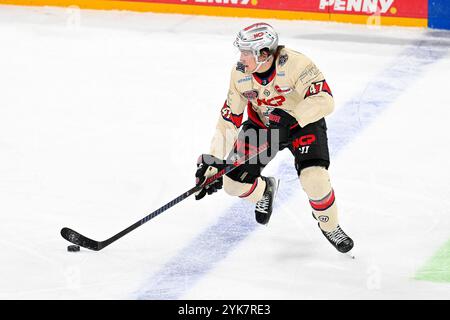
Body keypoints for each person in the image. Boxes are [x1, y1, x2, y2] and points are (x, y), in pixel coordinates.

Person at [194, 22, 353, 254]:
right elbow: (230, 117)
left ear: (264, 53)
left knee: (314, 178)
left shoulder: (296, 64)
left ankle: (330, 225)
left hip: (303, 125)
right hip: (264, 126)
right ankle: (264, 190)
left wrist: (294, 117)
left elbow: (325, 99)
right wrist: (214, 159)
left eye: (247, 52)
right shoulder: (240, 74)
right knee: (232, 184)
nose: (242, 57)